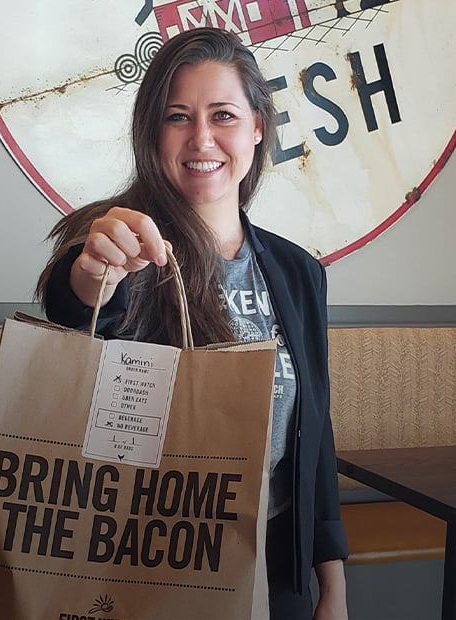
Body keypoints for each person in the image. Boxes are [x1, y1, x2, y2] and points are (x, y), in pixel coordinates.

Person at [36, 27, 348, 620]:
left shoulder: (298, 272)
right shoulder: (123, 245)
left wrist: (331, 583)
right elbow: (75, 306)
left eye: (223, 115)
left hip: (276, 563)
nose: (201, 137)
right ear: (153, 132)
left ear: (257, 126)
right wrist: (93, 275)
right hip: (141, 569)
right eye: (178, 116)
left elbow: (316, 435)